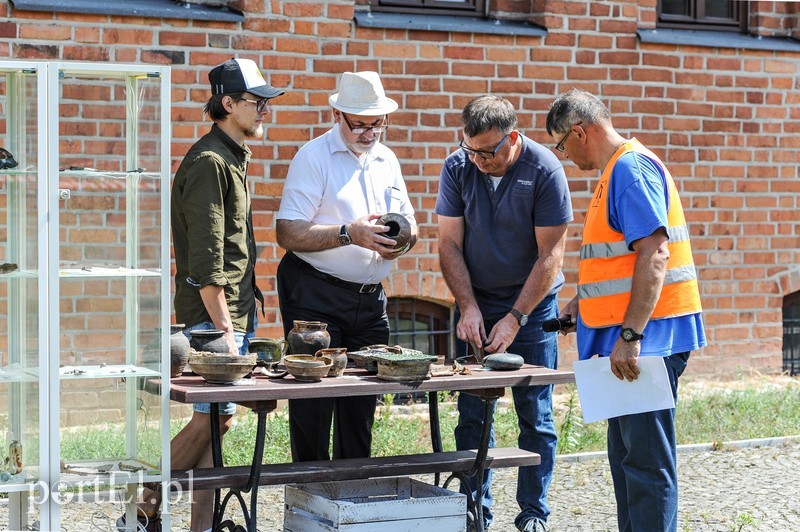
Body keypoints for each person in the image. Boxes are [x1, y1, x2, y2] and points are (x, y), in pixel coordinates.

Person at [117, 57, 284, 532]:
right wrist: (227, 335)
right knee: (211, 422)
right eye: (256, 103)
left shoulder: (232, 157)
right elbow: (207, 264)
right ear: (227, 104)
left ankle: (199, 527)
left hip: (231, 313)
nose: (264, 111)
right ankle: (139, 510)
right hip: (212, 321)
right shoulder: (211, 162)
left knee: (218, 425)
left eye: (265, 102)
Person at [545, 88, 706, 532]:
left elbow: (655, 255)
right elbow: (622, 259)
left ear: (579, 131)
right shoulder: (615, 171)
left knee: (645, 462)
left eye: (561, 144)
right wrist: (586, 301)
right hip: (632, 336)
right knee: (627, 458)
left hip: (646, 339)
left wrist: (631, 337)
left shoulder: (629, 169)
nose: (563, 155)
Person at [436, 95, 573, 532]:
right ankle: (475, 512)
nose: (477, 161)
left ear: (512, 139)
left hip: (532, 306)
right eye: (469, 149)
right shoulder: (458, 166)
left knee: (536, 414)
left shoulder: (544, 169)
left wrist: (516, 317)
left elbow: (550, 255)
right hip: (477, 300)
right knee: (473, 414)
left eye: (487, 152)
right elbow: (449, 244)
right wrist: (469, 306)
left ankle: (533, 512)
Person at [275, 71, 417, 462]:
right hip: (315, 293)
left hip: (370, 300)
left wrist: (400, 242)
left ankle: (353, 497)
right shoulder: (313, 156)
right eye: (359, 124)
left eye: (377, 124)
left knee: (361, 404)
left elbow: (410, 223)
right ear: (336, 113)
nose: (369, 133)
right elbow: (287, 232)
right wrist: (347, 234)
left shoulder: (387, 159)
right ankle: (309, 496)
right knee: (314, 403)